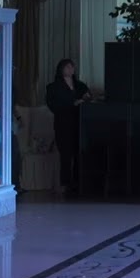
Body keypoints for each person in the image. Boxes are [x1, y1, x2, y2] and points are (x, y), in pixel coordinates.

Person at [45, 58, 91, 196]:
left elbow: (88, 96)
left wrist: (85, 98)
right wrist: (72, 103)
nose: (70, 69)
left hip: (79, 123)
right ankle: (65, 183)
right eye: (67, 67)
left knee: (79, 153)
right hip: (63, 124)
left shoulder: (80, 85)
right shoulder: (53, 87)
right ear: (61, 69)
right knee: (65, 154)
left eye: (72, 67)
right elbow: (53, 105)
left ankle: (79, 182)